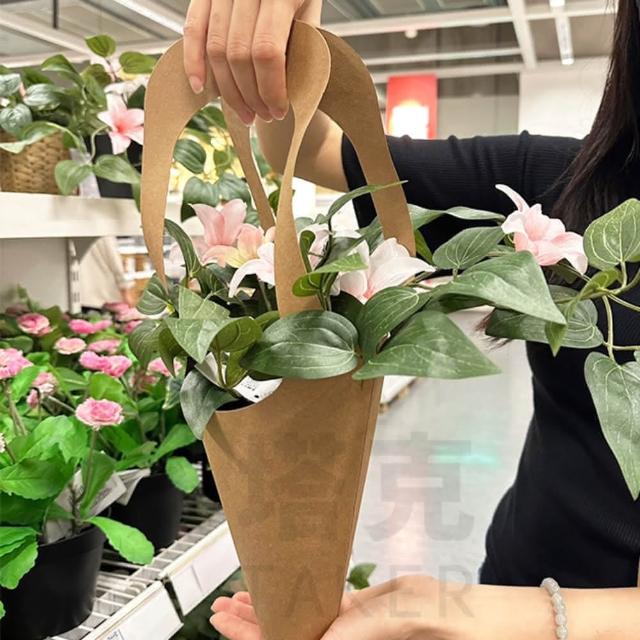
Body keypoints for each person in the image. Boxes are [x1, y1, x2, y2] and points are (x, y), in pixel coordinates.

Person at [182, 0, 640, 637]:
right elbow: (313, 150)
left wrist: (458, 617)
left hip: (512, 616)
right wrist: (291, 43)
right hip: (519, 571)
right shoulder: (571, 183)